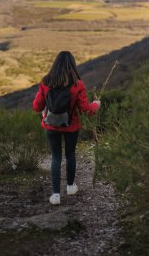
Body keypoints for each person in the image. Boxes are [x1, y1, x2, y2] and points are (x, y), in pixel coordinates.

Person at [32, 51, 100, 205]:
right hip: (71, 126)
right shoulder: (77, 84)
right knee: (70, 154)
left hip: (51, 125)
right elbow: (86, 110)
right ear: (72, 65)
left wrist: (45, 109)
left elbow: (37, 106)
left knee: (55, 157)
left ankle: (55, 195)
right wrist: (96, 105)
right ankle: (70, 187)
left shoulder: (46, 82)